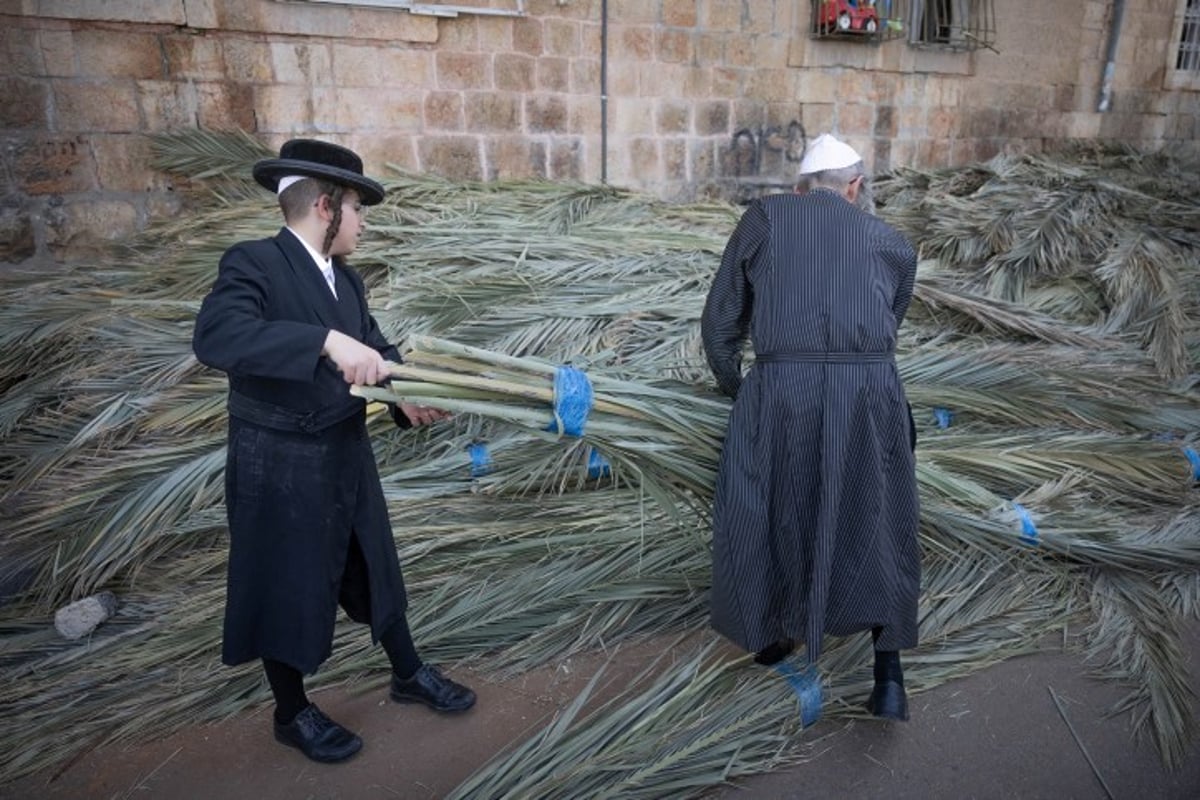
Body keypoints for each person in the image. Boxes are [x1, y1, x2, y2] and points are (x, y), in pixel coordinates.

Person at [193, 138, 476, 763]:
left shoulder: (345, 282)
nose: (364, 222)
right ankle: (291, 713)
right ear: (326, 207)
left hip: (344, 448)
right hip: (278, 462)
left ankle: (407, 672)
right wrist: (324, 341)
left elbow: (376, 350)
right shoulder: (252, 263)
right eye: (358, 209)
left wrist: (406, 394)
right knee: (283, 585)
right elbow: (218, 336)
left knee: (376, 562)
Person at [700, 133, 920, 721]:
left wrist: (740, 391)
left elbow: (721, 322)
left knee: (767, 505)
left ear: (799, 188)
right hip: (871, 397)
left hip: (784, 392)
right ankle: (889, 675)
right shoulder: (893, 243)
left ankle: (774, 637)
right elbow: (888, 324)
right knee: (879, 518)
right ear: (854, 187)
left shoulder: (765, 218)